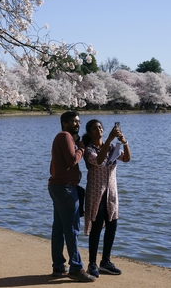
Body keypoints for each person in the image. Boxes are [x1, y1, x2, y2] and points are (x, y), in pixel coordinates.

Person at [48, 111, 96, 282]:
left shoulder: (61, 138)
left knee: (59, 228)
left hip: (58, 187)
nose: (78, 124)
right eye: (74, 121)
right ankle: (76, 268)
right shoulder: (65, 136)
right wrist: (82, 147)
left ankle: (59, 266)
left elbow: (53, 166)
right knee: (72, 229)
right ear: (64, 123)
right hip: (65, 189)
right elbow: (72, 160)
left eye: (79, 121)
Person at [81, 119, 131, 278]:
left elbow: (127, 158)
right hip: (96, 194)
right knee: (96, 228)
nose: (99, 130)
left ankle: (106, 262)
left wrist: (124, 142)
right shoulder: (89, 150)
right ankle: (92, 264)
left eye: (100, 127)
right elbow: (99, 160)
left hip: (111, 193)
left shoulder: (111, 148)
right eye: (95, 129)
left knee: (112, 226)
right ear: (89, 133)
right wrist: (109, 138)